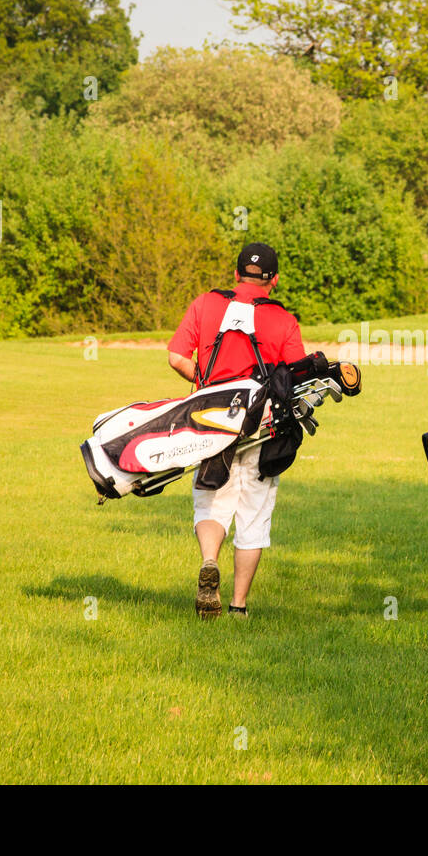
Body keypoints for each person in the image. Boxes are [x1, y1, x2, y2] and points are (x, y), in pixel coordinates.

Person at [167, 242, 305, 619]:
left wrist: (205, 381)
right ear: (273, 280)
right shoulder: (282, 319)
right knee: (254, 515)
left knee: (211, 501)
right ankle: (238, 607)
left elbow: (176, 356)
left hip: (211, 420)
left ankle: (210, 559)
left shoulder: (206, 303)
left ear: (236, 274)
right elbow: (295, 377)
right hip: (261, 427)